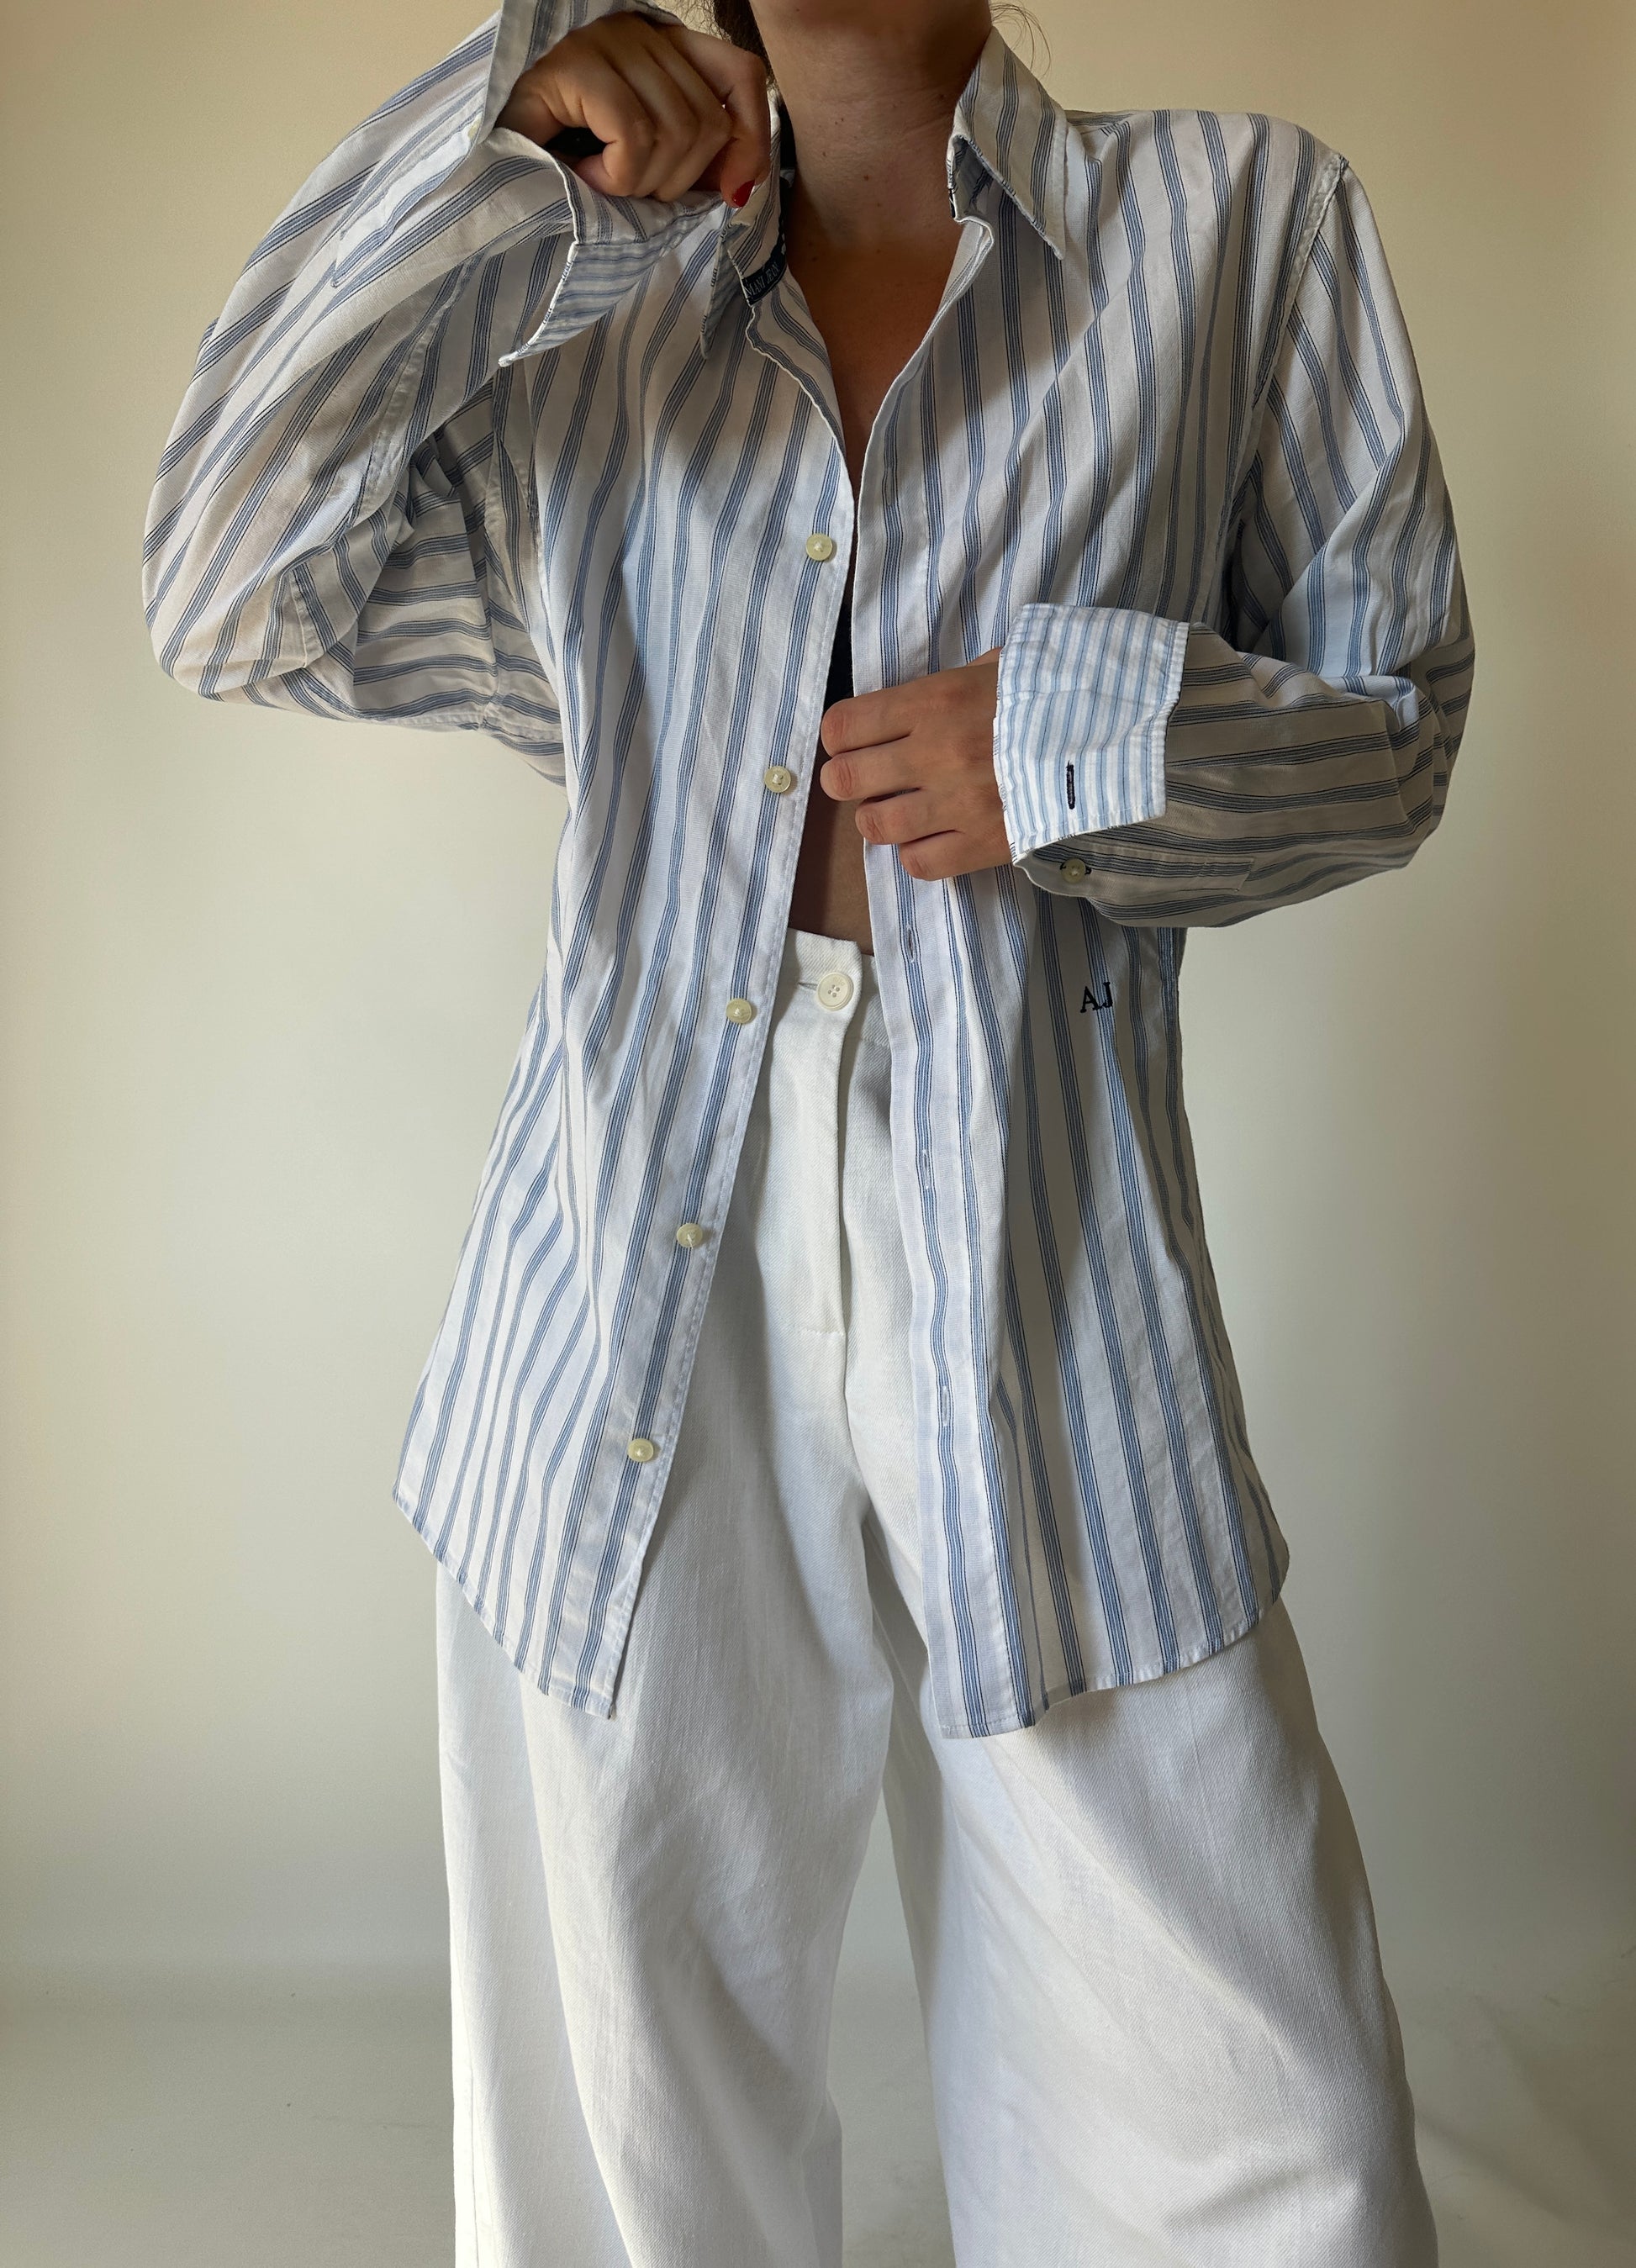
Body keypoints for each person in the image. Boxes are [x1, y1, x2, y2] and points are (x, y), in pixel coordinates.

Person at [143, 0, 1473, 2258]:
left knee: (1255, 2117)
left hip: (1051, 1252)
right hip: (624, 1268)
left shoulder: (1242, 220)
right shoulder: (571, 270)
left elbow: (1392, 732)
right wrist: (493, 153)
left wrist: (1073, 735)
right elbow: (230, 591)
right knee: (628, 2138)